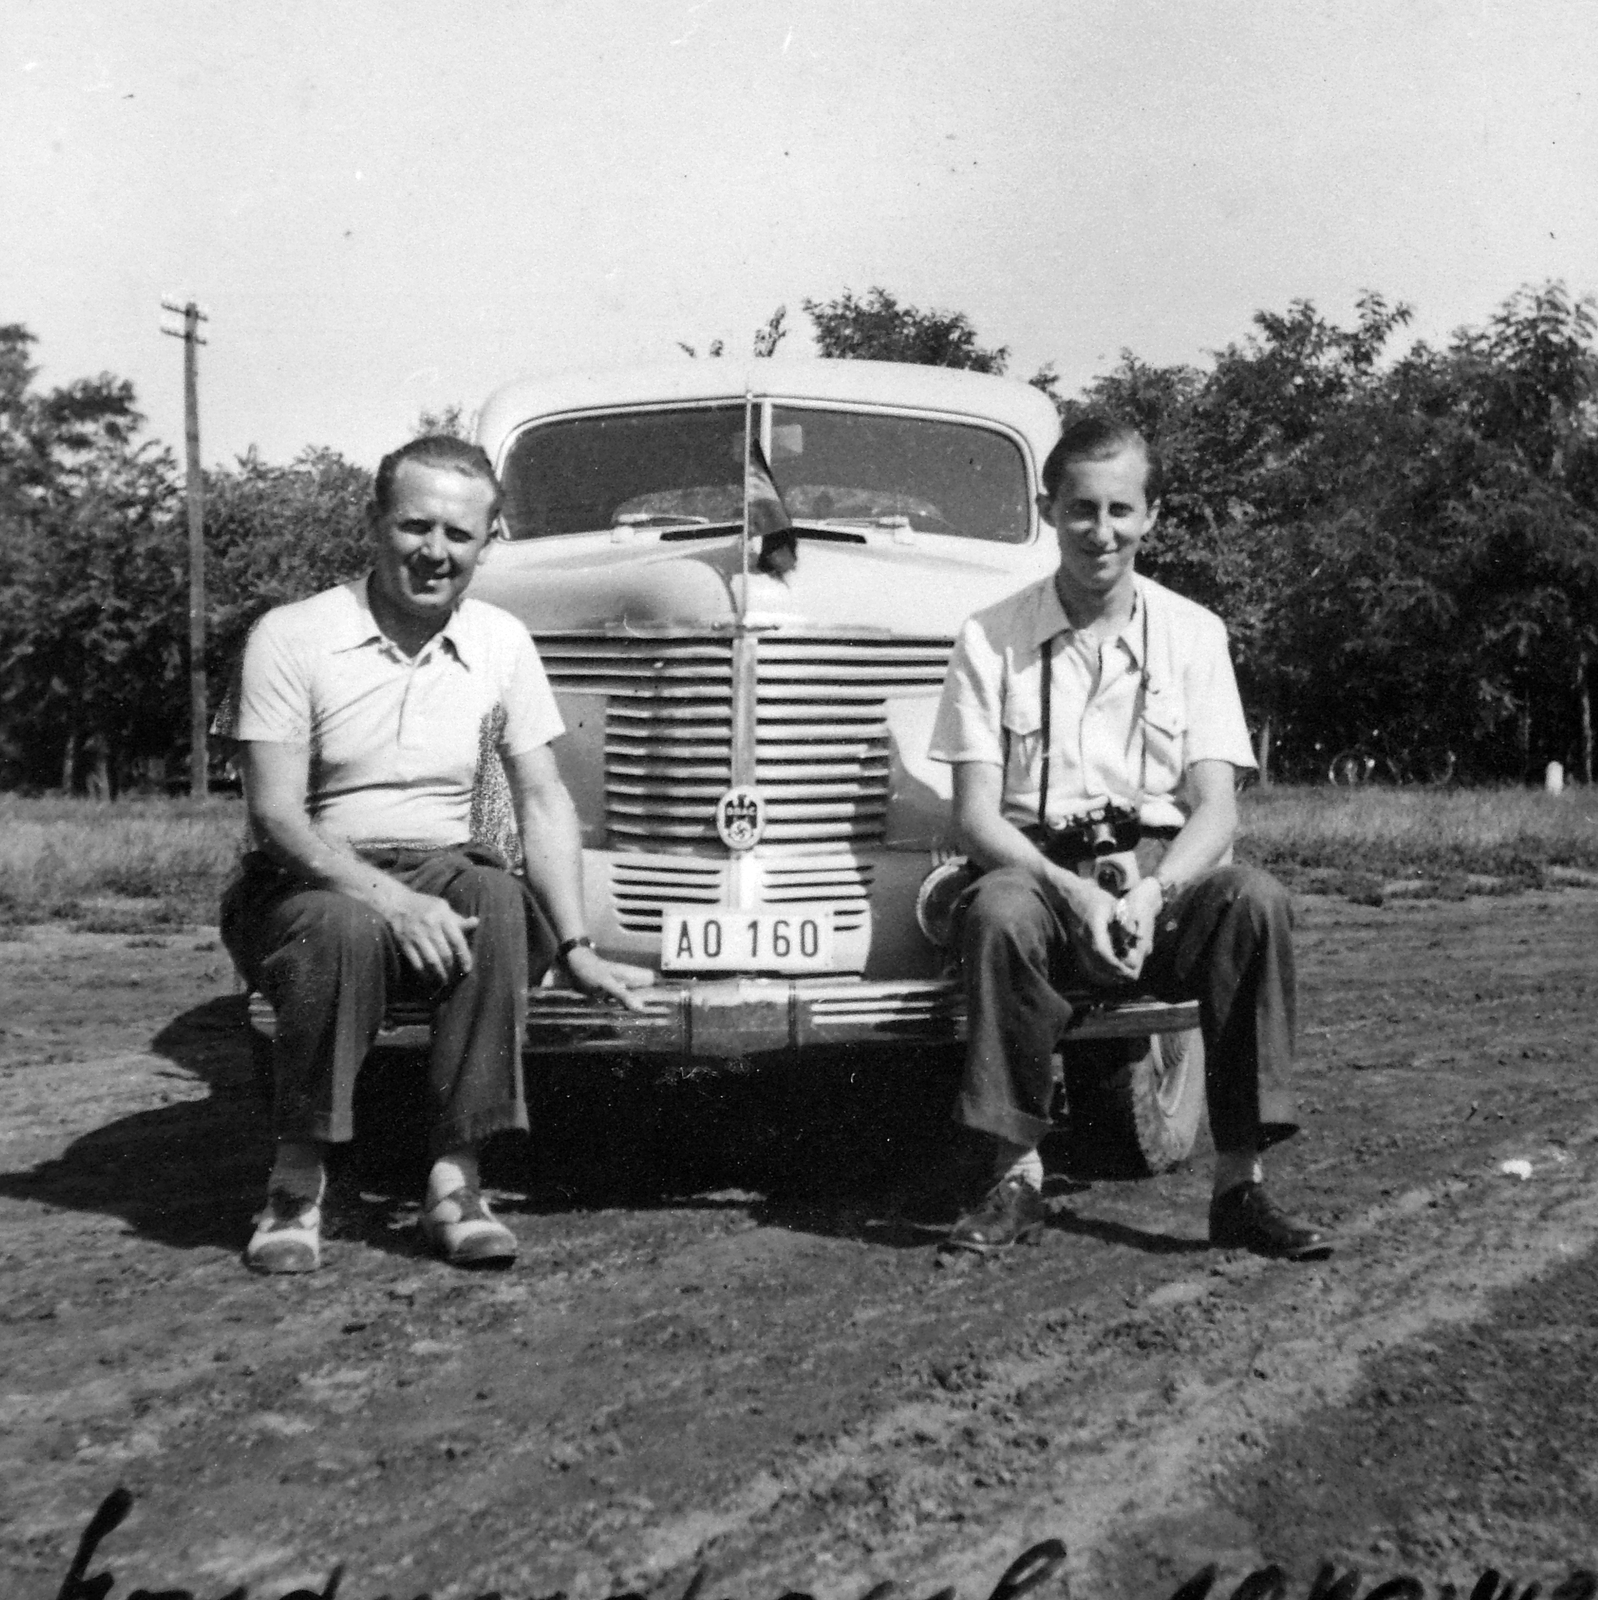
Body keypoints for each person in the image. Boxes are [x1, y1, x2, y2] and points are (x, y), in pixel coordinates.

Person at [220, 435, 651, 1275]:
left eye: (459, 535)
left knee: (495, 906)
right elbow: (274, 814)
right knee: (339, 932)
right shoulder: (293, 634)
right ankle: (295, 1183)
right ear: (375, 523)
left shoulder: (501, 641)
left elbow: (542, 799)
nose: (435, 552)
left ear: (488, 542)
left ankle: (457, 1181)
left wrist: (576, 945)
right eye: (415, 526)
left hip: (446, 861)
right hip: (306, 876)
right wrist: (393, 902)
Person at [927, 414, 1329, 1260]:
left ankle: (1241, 1188)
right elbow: (975, 814)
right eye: (1080, 509)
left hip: (1159, 885)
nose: (1099, 533)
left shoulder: (1194, 634)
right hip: (1040, 880)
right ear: (1048, 512)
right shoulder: (987, 637)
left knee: (1256, 901)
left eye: (1120, 510)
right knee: (997, 911)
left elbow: (1215, 810)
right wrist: (1071, 890)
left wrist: (1152, 890)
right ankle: (1016, 1177)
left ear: (1152, 517)